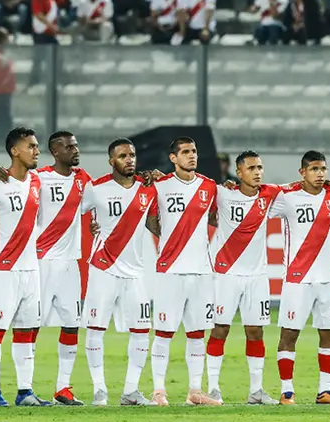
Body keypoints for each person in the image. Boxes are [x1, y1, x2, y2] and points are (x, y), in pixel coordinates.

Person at [0, 127, 49, 407]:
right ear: (14, 150)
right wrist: (2, 243)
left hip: (31, 271)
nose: (36, 151)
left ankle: (25, 391)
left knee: (26, 332)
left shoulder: (36, 182)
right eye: (30, 146)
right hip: (2, 271)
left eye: (37, 146)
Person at [267, 150, 330, 405]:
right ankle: (287, 391)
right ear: (302, 172)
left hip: (328, 279)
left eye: (323, 169)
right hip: (297, 279)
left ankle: (325, 391)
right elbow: (261, 198)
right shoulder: (287, 197)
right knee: (289, 334)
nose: (320, 174)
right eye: (314, 169)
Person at [144, 137, 221, 406]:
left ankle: (195, 392)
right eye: (186, 152)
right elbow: (151, 222)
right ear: (173, 158)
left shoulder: (209, 186)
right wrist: (171, 242)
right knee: (164, 333)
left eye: (194, 151)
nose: (192, 156)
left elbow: (214, 218)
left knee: (197, 334)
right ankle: (159, 391)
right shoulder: (160, 186)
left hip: (201, 272)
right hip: (170, 270)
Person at [82, 138, 157, 406]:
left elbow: (155, 226)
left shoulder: (148, 188)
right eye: (123, 155)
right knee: (95, 328)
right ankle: (99, 389)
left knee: (141, 330)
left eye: (132, 155)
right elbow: (70, 214)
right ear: (111, 160)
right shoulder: (96, 188)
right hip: (103, 268)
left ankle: (130, 391)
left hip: (136, 271)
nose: (129, 159)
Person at [206, 151, 279, 405]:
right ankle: (213, 388)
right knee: (220, 329)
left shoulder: (269, 195)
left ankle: (256, 391)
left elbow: (299, 188)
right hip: (226, 274)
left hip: (257, 276)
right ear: (239, 173)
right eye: (251, 168)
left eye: (260, 167)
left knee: (255, 331)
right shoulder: (224, 193)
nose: (257, 172)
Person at [33, 131, 95, 406]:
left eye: (76, 145)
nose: (75, 149)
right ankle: (25, 387)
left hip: (71, 264)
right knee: (30, 327)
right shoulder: (40, 178)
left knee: (72, 326)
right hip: (42, 261)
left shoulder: (83, 180)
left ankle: (63, 389)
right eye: (68, 146)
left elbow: (101, 203)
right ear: (55, 152)